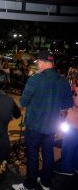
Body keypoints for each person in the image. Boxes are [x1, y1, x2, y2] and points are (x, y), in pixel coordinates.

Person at [12, 51, 73, 190]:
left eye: (38, 62)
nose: (37, 65)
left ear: (41, 61)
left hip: (34, 125)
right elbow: (67, 104)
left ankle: (30, 184)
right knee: (48, 154)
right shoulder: (62, 80)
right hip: (52, 126)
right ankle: (46, 182)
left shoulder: (35, 79)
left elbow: (23, 101)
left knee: (32, 155)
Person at [54, 86, 78, 177]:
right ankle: (75, 166)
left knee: (68, 147)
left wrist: (72, 94)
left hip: (74, 125)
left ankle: (66, 168)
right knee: (76, 148)